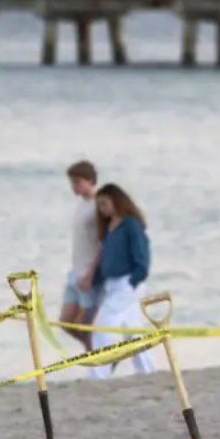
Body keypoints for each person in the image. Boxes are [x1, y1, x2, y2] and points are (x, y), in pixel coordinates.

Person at [87, 183, 156, 379]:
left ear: (116, 201)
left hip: (128, 282)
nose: (102, 209)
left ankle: (99, 374)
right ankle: (148, 371)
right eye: (99, 206)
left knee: (102, 324)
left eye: (105, 204)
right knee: (133, 332)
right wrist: (95, 279)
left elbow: (142, 255)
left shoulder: (131, 224)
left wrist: (135, 279)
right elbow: (108, 258)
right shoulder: (109, 227)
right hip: (113, 283)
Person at [60, 161, 102, 351]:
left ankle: (98, 361)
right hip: (74, 272)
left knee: (84, 325)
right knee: (66, 323)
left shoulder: (98, 206)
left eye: (77, 182)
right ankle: (98, 354)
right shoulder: (81, 204)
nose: (73, 187)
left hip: (88, 273)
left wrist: (91, 274)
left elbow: (103, 243)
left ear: (90, 181)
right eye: (72, 182)